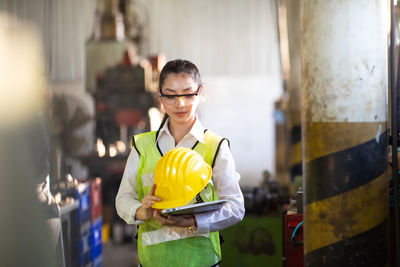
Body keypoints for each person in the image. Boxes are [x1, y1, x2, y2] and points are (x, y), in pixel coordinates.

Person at [116, 59, 245, 267]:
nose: (180, 103)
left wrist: (193, 223)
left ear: (200, 92)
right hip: (152, 263)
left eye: (187, 93)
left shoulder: (215, 146)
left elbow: (236, 207)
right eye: (171, 95)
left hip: (201, 262)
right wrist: (142, 211)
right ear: (160, 98)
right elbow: (123, 199)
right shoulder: (143, 146)